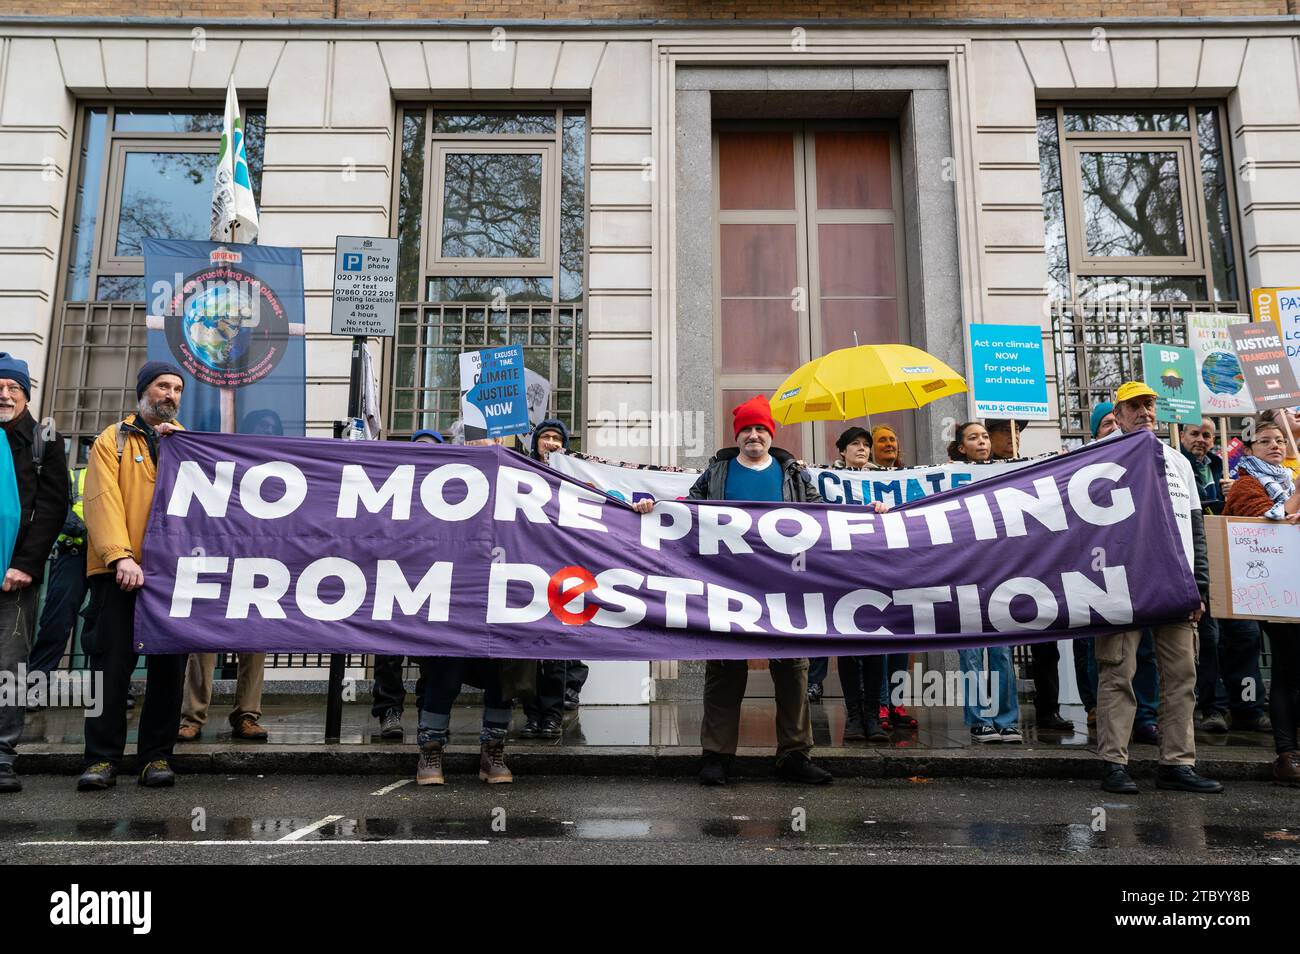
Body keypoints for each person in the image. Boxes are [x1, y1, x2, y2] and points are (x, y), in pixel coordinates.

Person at [633, 396, 831, 785]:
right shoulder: (717, 473)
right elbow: (686, 512)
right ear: (737, 436)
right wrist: (652, 508)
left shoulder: (792, 474)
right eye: (746, 430)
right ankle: (717, 756)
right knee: (724, 669)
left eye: (760, 429)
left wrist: (871, 514)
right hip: (726, 584)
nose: (754, 435)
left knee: (792, 670)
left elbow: (823, 517)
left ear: (770, 435)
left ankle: (794, 755)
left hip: (783, 587)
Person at [1095, 381, 1221, 794]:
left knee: (1182, 675)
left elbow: (1195, 530)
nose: (1145, 412)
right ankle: (1114, 763)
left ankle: (1177, 763)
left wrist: (1199, 586)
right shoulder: (1098, 456)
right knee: (1119, 672)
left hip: (1176, 585)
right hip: (1122, 584)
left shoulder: (1177, 461)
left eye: (1150, 404)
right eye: (1135, 406)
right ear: (1119, 413)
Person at [76, 362, 189, 791]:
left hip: (170, 579)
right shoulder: (113, 439)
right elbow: (100, 500)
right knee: (110, 668)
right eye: (163, 386)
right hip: (117, 574)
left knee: (168, 671)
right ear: (144, 391)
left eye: (178, 388)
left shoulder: (184, 442)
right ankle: (101, 759)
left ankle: (155, 757)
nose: (171, 394)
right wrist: (120, 557)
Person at [415, 436, 534, 785]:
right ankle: (430, 749)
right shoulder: (447, 487)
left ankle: (493, 750)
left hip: (505, 601)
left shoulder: (522, 486)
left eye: (497, 439)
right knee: (445, 674)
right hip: (454, 601)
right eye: (482, 438)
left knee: (504, 676)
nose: (490, 444)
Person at [0, 354, 69, 793]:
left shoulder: (43, 439)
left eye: (13, 388)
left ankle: (2, 756)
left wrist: (25, 564)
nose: (4, 395)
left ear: (26, 394)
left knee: (8, 668)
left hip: (15, 577)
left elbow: (52, 507)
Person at [1223, 413, 1300, 786]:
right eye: (1266, 440)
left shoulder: (1289, 479)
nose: (1276, 446)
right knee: (1288, 671)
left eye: (1280, 441)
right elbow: (1261, 525)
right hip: (1279, 594)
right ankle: (1287, 754)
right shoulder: (1246, 485)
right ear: (1250, 448)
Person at [1181, 419, 1269, 734]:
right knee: (1209, 638)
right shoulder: (1177, 467)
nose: (1201, 440)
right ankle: (1212, 707)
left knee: (1245, 636)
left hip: (1234, 563)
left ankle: (1248, 706)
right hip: (1200, 564)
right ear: (1182, 436)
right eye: (1195, 434)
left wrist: (1233, 494)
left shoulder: (1228, 469)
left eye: (1207, 434)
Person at [945, 422, 1023, 742]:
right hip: (966, 574)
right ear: (962, 447)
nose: (983, 441)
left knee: (1002, 652)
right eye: (974, 437)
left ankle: (1006, 719)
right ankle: (979, 719)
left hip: (999, 572)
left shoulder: (1006, 472)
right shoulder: (949, 477)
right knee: (972, 653)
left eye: (986, 436)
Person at [371, 428, 443, 740]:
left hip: (433, 578)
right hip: (394, 575)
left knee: (433, 653)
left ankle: (429, 709)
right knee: (388, 651)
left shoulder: (451, 492)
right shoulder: (393, 487)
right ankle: (389, 710)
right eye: (419, 448)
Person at [520, 418, 590, 735]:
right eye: (545, 436)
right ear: (535, 442)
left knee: (558, 645)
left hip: (562, 568)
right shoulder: (519, 473)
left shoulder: (575, 476)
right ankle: (532, 712)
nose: (550, 441)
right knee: (529, 648)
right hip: (527, 565)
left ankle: (552, 712)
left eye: (556, 437)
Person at [28, 450, 91, 677]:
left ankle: (117, 690)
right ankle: (36, 684)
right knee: (57, 620)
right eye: (93, 447)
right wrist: (90, 530)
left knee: (108, 629)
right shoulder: (72, 477)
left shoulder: (123, 481)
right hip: (73, 556)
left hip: (109, 561)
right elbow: (57, 513)